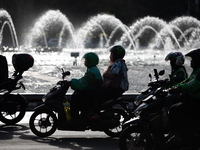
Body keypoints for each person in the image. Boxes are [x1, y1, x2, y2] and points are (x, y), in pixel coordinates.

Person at [167, 48, 200, 145]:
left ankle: (179, 137)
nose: (190, 63)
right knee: (172, 108)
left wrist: (178, 89)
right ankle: (172, 132)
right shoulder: (195, 71)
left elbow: (194, 85)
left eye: (193, 60)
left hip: (197, 101)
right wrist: (175, 87)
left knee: (178, 109)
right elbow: (186, 81)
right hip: (192, 99)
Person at [93, 45, 129, 114]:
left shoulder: (117, 63)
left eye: (111, 54)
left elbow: (111, 76)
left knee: (96, 93)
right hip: (119, 88)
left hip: (116, 88)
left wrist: (107, 73)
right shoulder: (121, 62)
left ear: (115, 55)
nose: (110, 56)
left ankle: (96, 113)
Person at [69, 52, 103, 119]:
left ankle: (74, 119)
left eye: (86, 60)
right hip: (93, 92)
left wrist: (71, 82)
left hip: (93, 93)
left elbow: (83, 83)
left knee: (75, 97)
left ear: (91, 61)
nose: (85, 62)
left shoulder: (92, 72)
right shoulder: (93, 69)